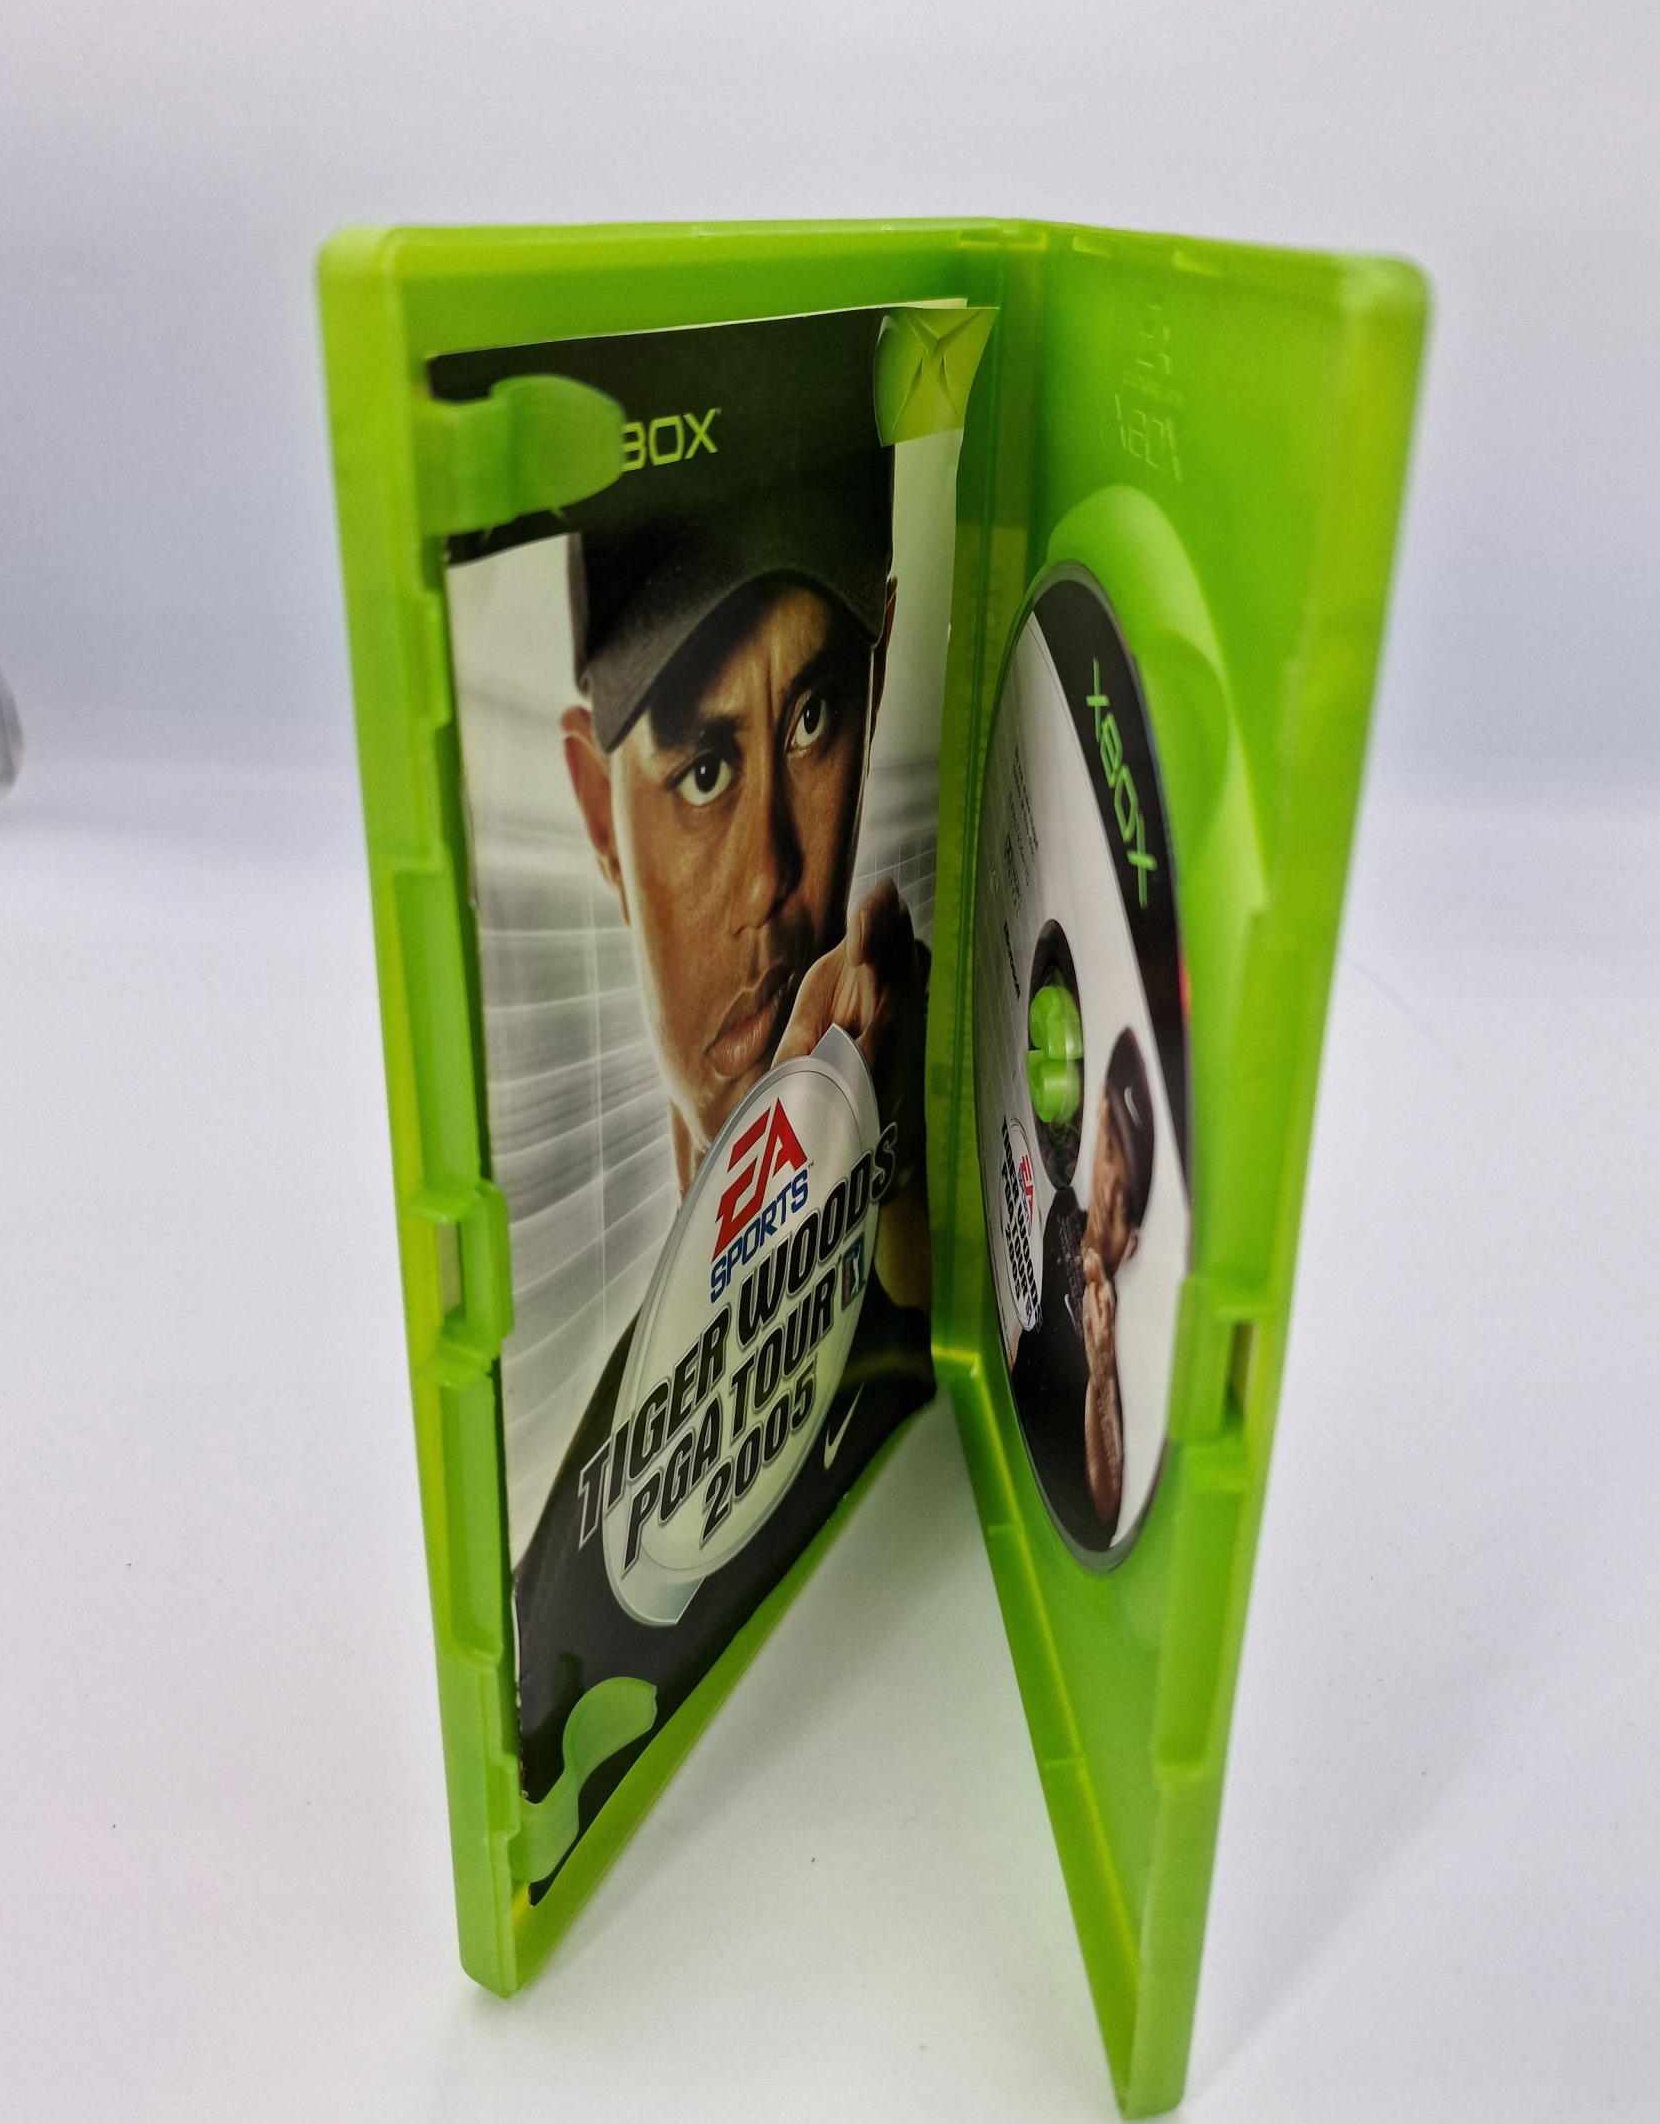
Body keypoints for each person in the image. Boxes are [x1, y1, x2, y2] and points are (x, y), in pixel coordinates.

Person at [480, 307, 936, 1876]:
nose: (772, 881)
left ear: (883, 675)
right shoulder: (566, 1573)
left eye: (813, 721)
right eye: (699, 769)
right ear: (593, 814)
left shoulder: (952, 1258)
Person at [1009, 1024, 1155, 1551]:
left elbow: (1104, 1505)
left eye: (1124, 1203)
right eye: (1111, 1146)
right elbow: (1025, 1331)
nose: (1110, 1187)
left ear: (1132, 1245)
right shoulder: (1063, 1215)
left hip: (1052, 1527)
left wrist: (1102, 1369)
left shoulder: (1127, 1346)